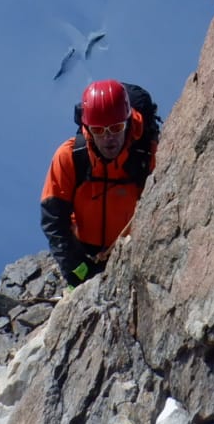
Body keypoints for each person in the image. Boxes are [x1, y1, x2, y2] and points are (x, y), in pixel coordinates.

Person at [40, 79, 157, 287]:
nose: (108, 138)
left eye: (116, 127)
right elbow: (54, 220)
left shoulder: (149, 154)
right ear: (87, 128)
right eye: (99, 130)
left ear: (129, 121)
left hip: (133, 251)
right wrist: (76, 270)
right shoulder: (70, 157)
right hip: (82, 252)